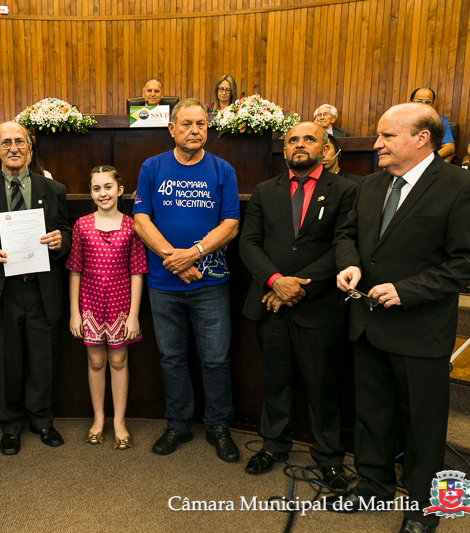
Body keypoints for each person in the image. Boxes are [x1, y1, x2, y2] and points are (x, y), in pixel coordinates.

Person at [329, 103, 470, 533]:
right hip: (367, 324)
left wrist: (408, 290)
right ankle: (374, 485)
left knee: (422, 426)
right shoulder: (370, 185)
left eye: (386, 136)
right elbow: (346, 235)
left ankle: (423, 506)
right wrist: (349, 264)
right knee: (372, 415)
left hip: (420, 330)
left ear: (422, 138)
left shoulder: (462, 187)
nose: (376, 144)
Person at [239, 122, 356, 492]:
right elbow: (249, 243)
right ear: (284, 149)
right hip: (271, 305)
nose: (300, 145)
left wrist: (297, 285)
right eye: (293, 140)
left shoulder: (347, 190)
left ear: (325, 148)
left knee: (323, 387)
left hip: (320, 306)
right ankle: (273, 445)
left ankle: (329, 458)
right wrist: (276, 281)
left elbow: (343, 245)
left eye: (309, 139)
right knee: (275, 381)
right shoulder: (265, 191)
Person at [132, 99, 241, 462]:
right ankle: (178, 424)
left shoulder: (222, 169)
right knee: (171, 358)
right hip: (164, 284)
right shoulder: (152, 167)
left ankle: (218, 426)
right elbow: (141, 220)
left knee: (216, 359)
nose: (195, 130)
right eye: (187, 124)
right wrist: (175, 261)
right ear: (172, 129)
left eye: (201, 124)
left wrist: (193, 253)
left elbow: (231, 224)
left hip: (210, 284)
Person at [0, 121, 72, 455]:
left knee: (43, 360)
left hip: (41, 288)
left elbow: (66, 231)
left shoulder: (52, 189)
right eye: (6, 143)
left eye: (20, 142)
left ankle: (42, 421)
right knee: (6, 363)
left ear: (30, 147)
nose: (14, 148)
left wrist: (61, 241)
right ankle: (10, 426)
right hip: (3, 290)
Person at [67, 166, 148, 450]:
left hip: (121, 306)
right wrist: (75, 312)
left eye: (108, 187)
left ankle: (119, 422)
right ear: (91, 194)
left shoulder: (132, 226)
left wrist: (134, 315)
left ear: (120, 190)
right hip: (89, 305)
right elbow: (75, 270)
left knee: (118, 361)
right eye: (96, 188)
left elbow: (137, 272)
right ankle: (99, 419)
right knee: (96, 362)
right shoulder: (82, 225)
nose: (103, 193)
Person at [409, 87, 455, 160]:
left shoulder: (440, 121)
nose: (423, 105)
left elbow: (449, 147)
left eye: (428, 102)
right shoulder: (400, 119)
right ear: (411, 102)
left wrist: (429, 159)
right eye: (419, 101)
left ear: (432, 104)